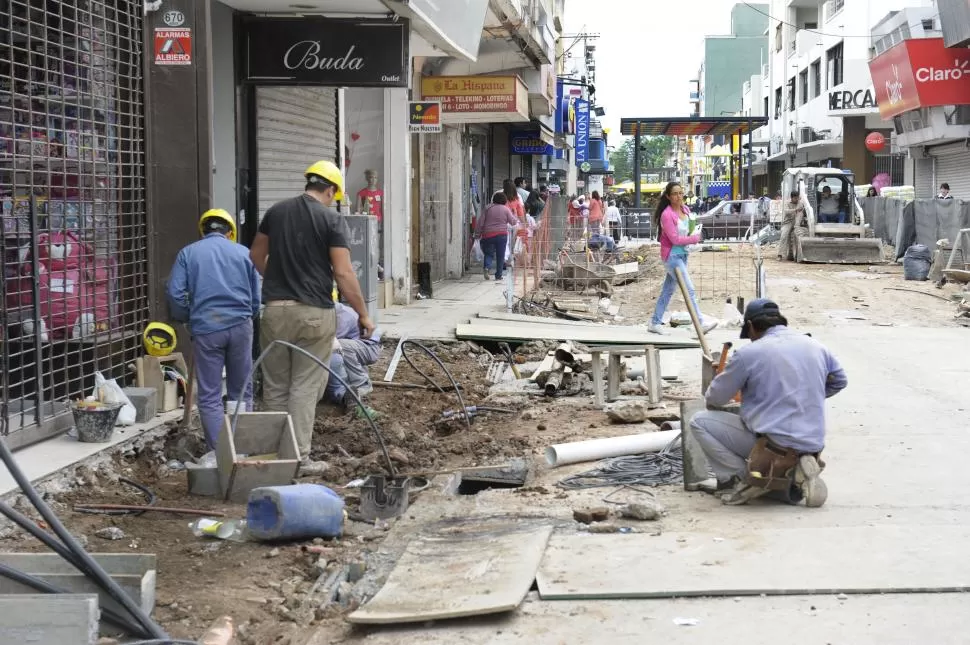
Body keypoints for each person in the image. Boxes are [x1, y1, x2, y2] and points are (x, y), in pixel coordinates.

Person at [249, 160, 375, 475]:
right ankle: (299, 459)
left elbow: (255, 255)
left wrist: (278, 281)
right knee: (305, 385)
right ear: (330, 189)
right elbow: (344, 273)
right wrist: (363, 314)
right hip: (314, 313)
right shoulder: (331, 220)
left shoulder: (276, 212)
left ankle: (272, 457)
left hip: (275, 311)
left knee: (275, 385)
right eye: (335, 194)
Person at [689, 299, 847, 507]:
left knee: (700, 421)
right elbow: (840, 381)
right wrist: (806, 396)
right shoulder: (816, 346)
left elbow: (715, 399)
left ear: (752, 326)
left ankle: (745, 478)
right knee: (767, 426)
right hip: (812, 443)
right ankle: (798, 466)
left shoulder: (749, 354)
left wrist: (754, 396)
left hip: (774, 445)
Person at [166, 209, 260, 450]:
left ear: (203, 230)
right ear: (230, 232)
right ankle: (241, 448)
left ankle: (220, 453)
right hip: (240, 327)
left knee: (209, 395)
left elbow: (175, 294)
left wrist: (189, 317)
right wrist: (247, 316)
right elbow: (256, 298)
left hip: (206, 330)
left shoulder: (188, 253)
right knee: (241, 392)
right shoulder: (244, 253)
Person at [648, 181, 716, 336]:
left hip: (683, 254)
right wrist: (695, 239)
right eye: (675, 194)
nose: (679, 196)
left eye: (680, 192)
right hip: (672, 256)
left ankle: (655, 322)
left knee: (668, 291)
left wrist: (693, 233)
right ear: (668, 196)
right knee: (689, 289)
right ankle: (700, 322)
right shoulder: (666, 215)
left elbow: (686, 231)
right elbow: (675, 240)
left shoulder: (685, 209)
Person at [324, 302, 382, 420]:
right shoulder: (329, 312)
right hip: (356, 345)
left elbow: (329, 344)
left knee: (336, 346)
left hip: (369, 347)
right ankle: (344, 390)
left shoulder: (340, 316)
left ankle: (361, 385)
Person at [475, 192, 520, 280]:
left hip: (488, 234)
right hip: (502, 235)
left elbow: (480, 222)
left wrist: (477, 233)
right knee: (500, 255)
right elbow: (513, 222)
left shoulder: (487, 208)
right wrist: (515, 214)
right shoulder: (506, 209)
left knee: (488, 253)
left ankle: (487, 267)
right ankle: (498, 275)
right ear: (504, 200)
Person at [778, 191, 805, 262]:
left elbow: (801, 209)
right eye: (795, 198)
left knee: (796, 237)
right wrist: (795, 210)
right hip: (788, 222)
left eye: (797, 198)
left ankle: (796, 255)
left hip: (797, 222)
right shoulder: (787, 203)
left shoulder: (800, 203)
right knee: (784, 235)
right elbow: (786, 211)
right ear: (792, 198)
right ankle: (780, 254)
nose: (797, 199)